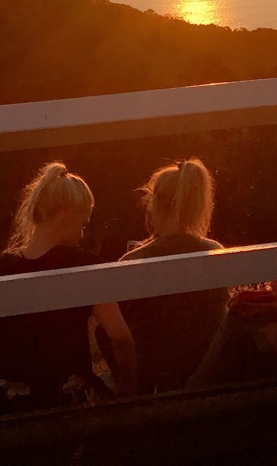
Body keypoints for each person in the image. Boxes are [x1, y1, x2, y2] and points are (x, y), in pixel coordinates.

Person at [0, 162, 136, 417]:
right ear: (65, 218)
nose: (82, 234)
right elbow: (120, 336)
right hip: (64, 402)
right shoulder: (84, 266)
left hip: (0, 407)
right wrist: (128, 385)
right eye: (82, 225)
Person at [116, 159, 228, 394]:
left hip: (148, 382)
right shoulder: (215, 253)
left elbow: (115, 331)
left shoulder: (132, 262)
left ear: (154, 205)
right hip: (207, 377)